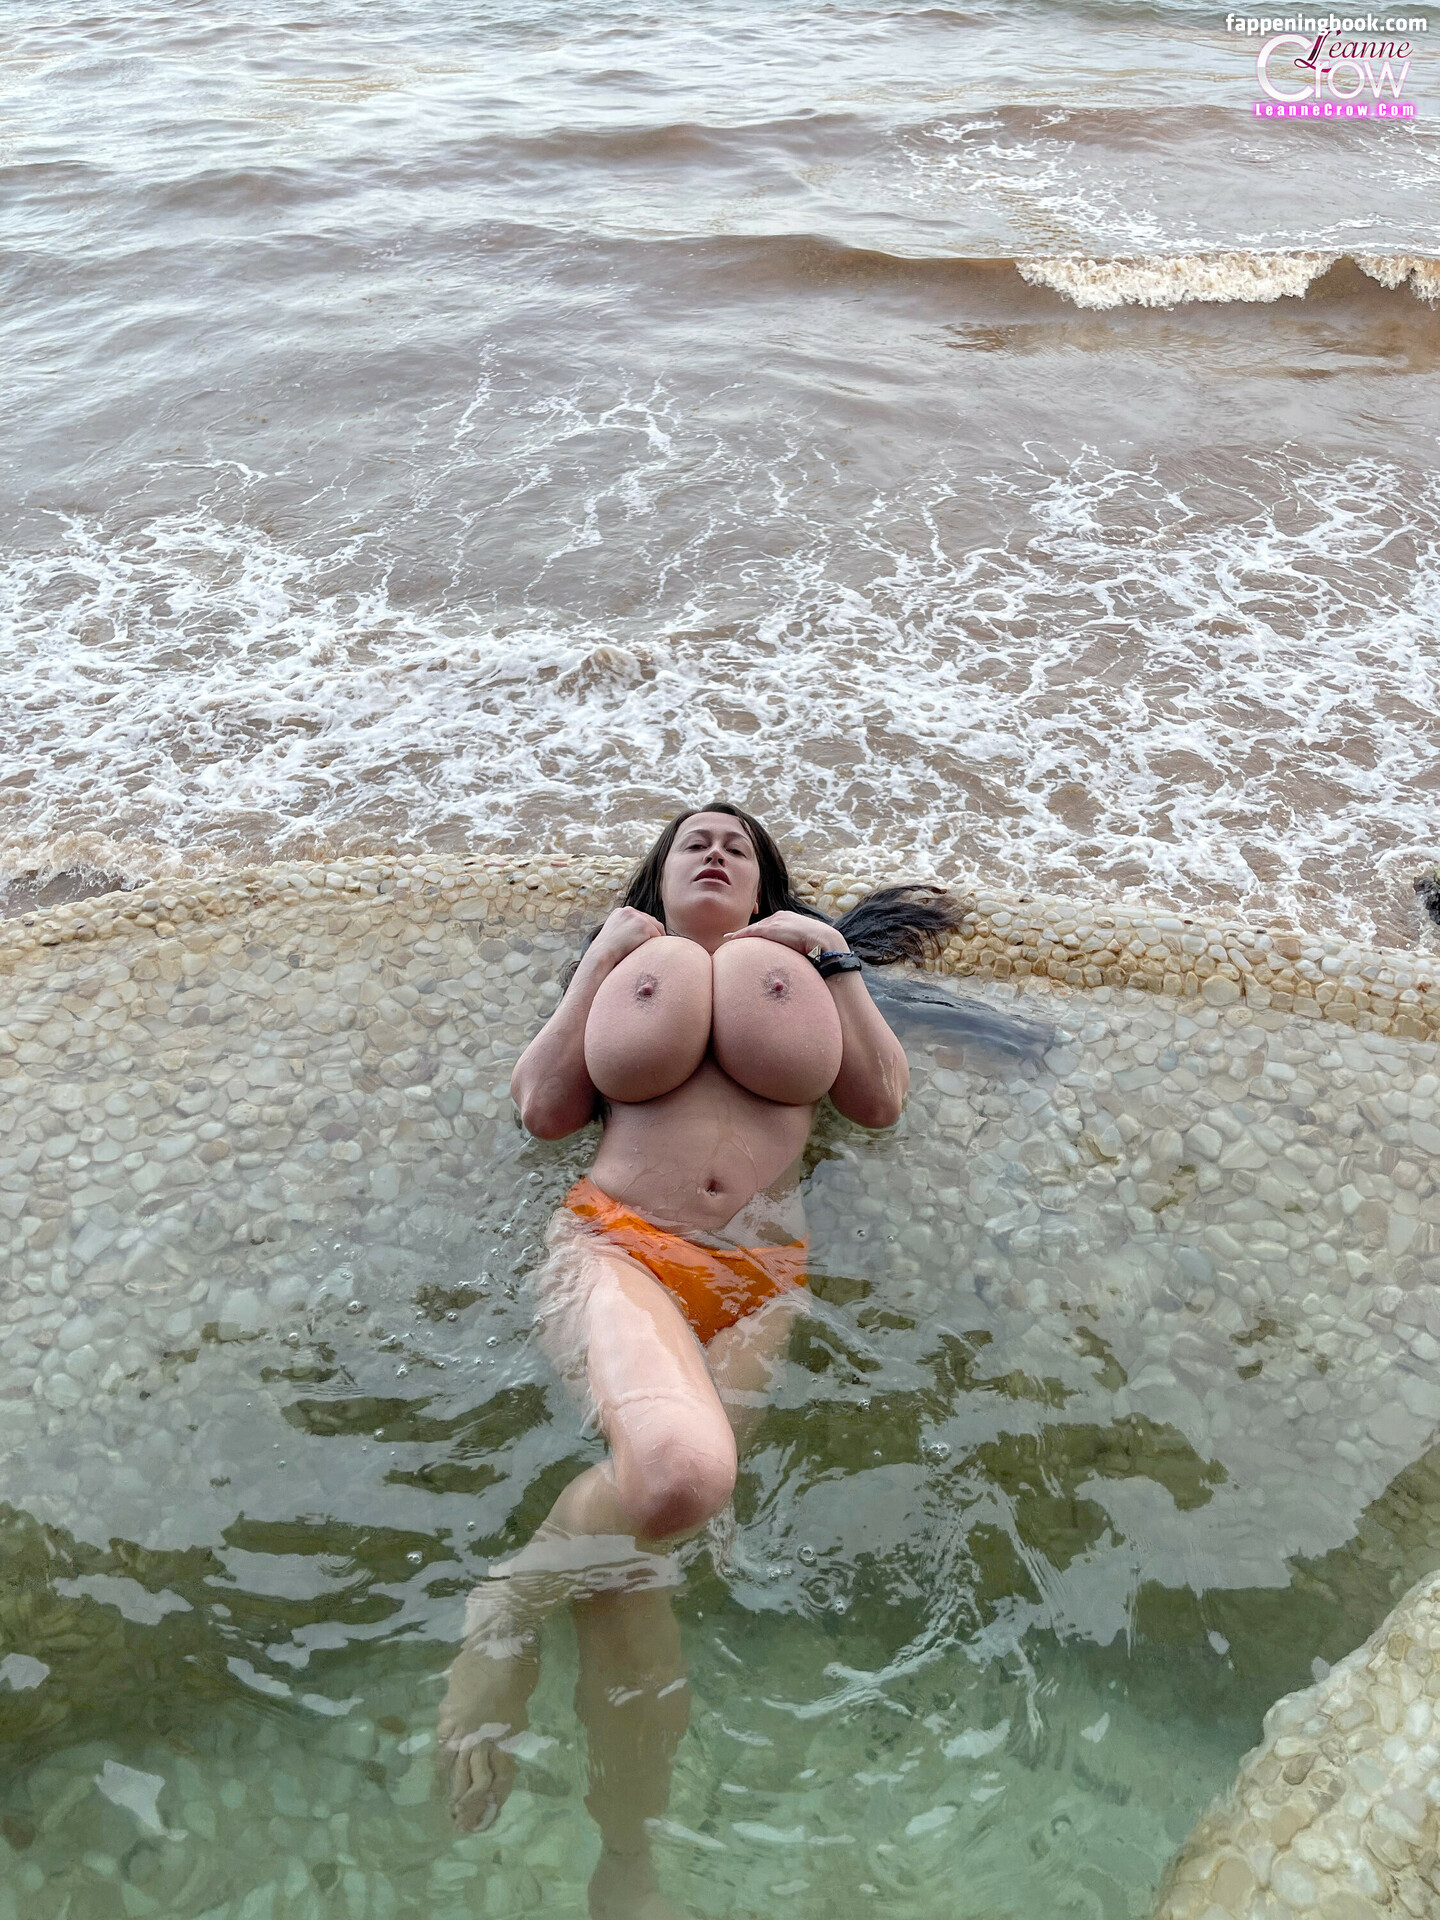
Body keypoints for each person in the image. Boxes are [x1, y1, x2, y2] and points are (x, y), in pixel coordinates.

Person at [437, 804, 963, 1920]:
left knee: (641, 1557)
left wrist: (835, 954)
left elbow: (881, 1102)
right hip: (618, 1248)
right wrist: (601, 958)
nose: (717, 849)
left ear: (765, 884)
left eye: (739, 845)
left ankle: (626, 1859)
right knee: (679, 1477)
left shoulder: (802, 969)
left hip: (762, 1283)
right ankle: (508, 1599)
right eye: (693, 842)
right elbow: (541, 1109)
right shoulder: (633, 967)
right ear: (660, 879)